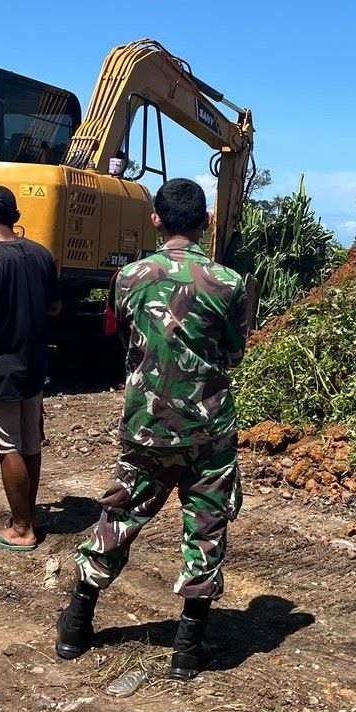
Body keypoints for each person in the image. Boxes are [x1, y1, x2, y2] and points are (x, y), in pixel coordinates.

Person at [56, 178, 251, 680]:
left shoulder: (128, 278)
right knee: (206, 529)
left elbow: (125, 336)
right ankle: (187, 648)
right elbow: (234, 350)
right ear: (206, 222)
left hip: (145, 425)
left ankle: (77, 624)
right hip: (209, 429)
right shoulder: (229, 284)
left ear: (157, 220)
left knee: (119, 517)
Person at [0, 184, 62, 551]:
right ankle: (27, 517)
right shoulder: (41, 255)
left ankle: (21, 529)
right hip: (34, 365)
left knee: (8, 446)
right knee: (30, 443)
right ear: (15, 217)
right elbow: (55, 308)